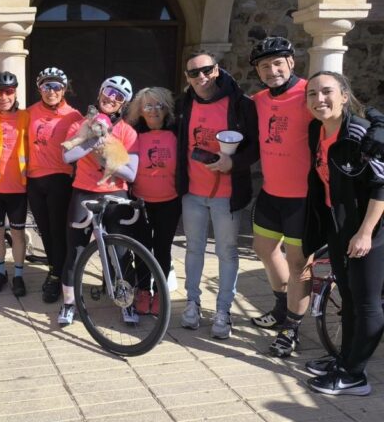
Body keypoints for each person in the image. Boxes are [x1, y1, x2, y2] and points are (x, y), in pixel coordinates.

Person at [302, 71, 384, 396]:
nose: (319, 99)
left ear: (344, 96)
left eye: (326, 92)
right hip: (342, 227)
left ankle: (355, 376)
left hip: (371, 230)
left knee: (366, 303)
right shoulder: (318, 131)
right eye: (312, 94)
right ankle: (345, 359)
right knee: (348, 298)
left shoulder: (359, 136)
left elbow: (382, 185)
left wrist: (365, 233)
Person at [176, 51, 258, 339]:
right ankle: (192, 303)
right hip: (193, 193)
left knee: (226, 252)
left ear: (216, 70)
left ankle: (223, 310)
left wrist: (233, 163)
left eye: (206, 70)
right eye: (193, 73)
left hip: (227, 194)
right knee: (193, 249)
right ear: (187, 78)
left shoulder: (240, 104)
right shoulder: (184, 103)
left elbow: (255, 148)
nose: (201, 77)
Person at [248, 37, 314, 357]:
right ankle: (280, 308)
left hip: (303, 197)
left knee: (299, 263)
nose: (272, 70)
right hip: (271, 192)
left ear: (291, 63)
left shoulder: (309, 94)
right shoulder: (259, 99)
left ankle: (291, 328)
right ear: (259, 73)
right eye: (264, 66)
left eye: (277, 63)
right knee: (263, 249)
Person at [58, 76, 139, 326]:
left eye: (119, 97)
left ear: (123, 103)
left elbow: (132, 173)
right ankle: (69, 303)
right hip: (84, 191)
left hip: (115, 194)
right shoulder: (82, 124)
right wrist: (92, 141)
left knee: (122, 252)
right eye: (109, 92)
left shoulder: (127, 131)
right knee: (76, 250)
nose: (112, 98)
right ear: (100, 92)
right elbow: (67, 156)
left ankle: (125, 301)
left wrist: (107, 158)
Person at [27, 67, 82, 303]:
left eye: (56, 86)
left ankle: (58, 275)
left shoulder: (74, 116)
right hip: (34, 179)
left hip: (60, 179)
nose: (51, 91)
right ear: (39, 88)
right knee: (44, 231)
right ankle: (54, 269)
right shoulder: (29, 113)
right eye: (46, 86)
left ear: (64, 89)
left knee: (58, 231)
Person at [125, 87, 180, 315]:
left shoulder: (177, 132)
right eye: (148, 106)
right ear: (140, 110)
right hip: (141, 202)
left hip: (169, 201)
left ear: (167, 109)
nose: (154, 110)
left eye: (159, 105)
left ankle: (159, 291)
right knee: (141, 249)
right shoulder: (132, 134)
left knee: (162, 248)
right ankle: (142, 290)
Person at [0, 71, 30, 297]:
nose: (4, 96)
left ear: (15, 93)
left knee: (18, 234)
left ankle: (19, 275)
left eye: (9, 92)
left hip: (18, 188)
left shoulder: (26, 117)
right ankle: (0, 272)